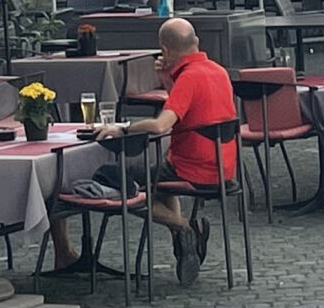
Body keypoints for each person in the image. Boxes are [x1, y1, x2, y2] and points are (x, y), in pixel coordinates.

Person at [54, 17, 235, 286]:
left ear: (165, 50)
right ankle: (182, 237)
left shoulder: (189, 77)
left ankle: (184, 226)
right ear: (196, 42)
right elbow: (188, 107)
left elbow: (161, 124)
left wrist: (123, 129)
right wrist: (166, 79)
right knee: (160, 176)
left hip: (193, 168)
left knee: (114, 179)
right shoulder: (218, 71)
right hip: (223, 167)